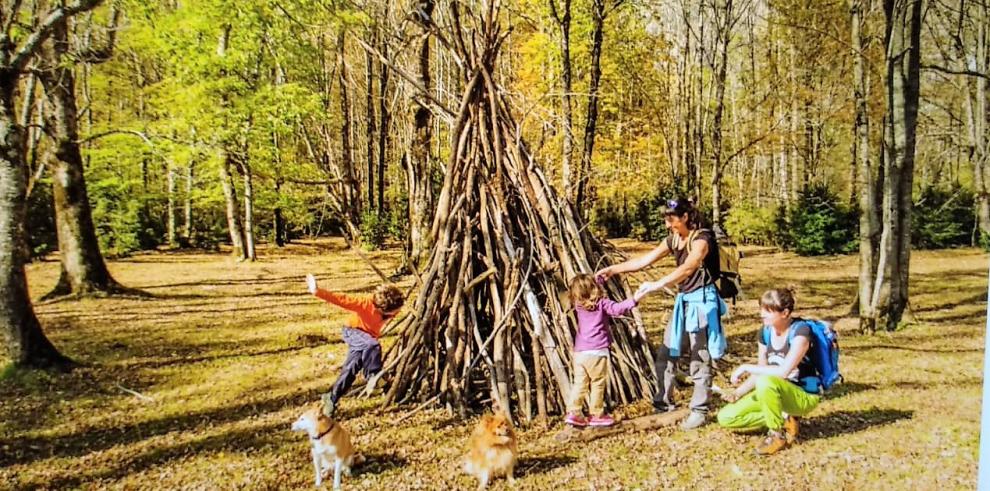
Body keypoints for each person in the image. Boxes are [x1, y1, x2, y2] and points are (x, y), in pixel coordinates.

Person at [596, 197, 727, 430]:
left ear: (685, 217)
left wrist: (657, 285)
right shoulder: (673, 239)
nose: (668, 224)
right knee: (667, 352)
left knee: (700, 357)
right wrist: (613, 270)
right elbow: (645, 260)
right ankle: (663, 403)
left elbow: (689, 267)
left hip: (703, 304)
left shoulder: (702, 239)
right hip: (684, 302)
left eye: (671, 220)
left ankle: (699, 410)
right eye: (666, 220)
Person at [717, 287, 821, 455]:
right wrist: (738, 392)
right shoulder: (765, 332)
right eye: (761, 309)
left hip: (803, 395)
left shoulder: (801, 332)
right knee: (726, 417)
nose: (762, 314)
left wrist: (744, 367)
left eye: (768, 311)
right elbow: (762, 369)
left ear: (785, 313)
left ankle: (776, 434)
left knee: (766, 381)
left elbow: (783, 372)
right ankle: (786, 418)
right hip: (771, 392)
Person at [305, 274, 404, 417]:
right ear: (382, 308)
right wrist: (317, 291)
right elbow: (342, 300)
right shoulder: (365, 303)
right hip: (352, 331)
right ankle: (373, 375)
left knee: (350, 369)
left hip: (366, 339)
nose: (396, 314)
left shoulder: (395, 305)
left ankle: (331, 398)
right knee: (373, 345)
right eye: (392, 313)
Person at [564, 274, 650, 428]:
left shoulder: (578, 304)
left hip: (580, 353)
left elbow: (586, 289)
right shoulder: (602, 303)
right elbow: (617, 309)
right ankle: (596, 414)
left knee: (580, 383)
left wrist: (598, 280)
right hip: (596, 352)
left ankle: (573, 412)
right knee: (597, 383)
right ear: (594, 289)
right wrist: (634, 300)